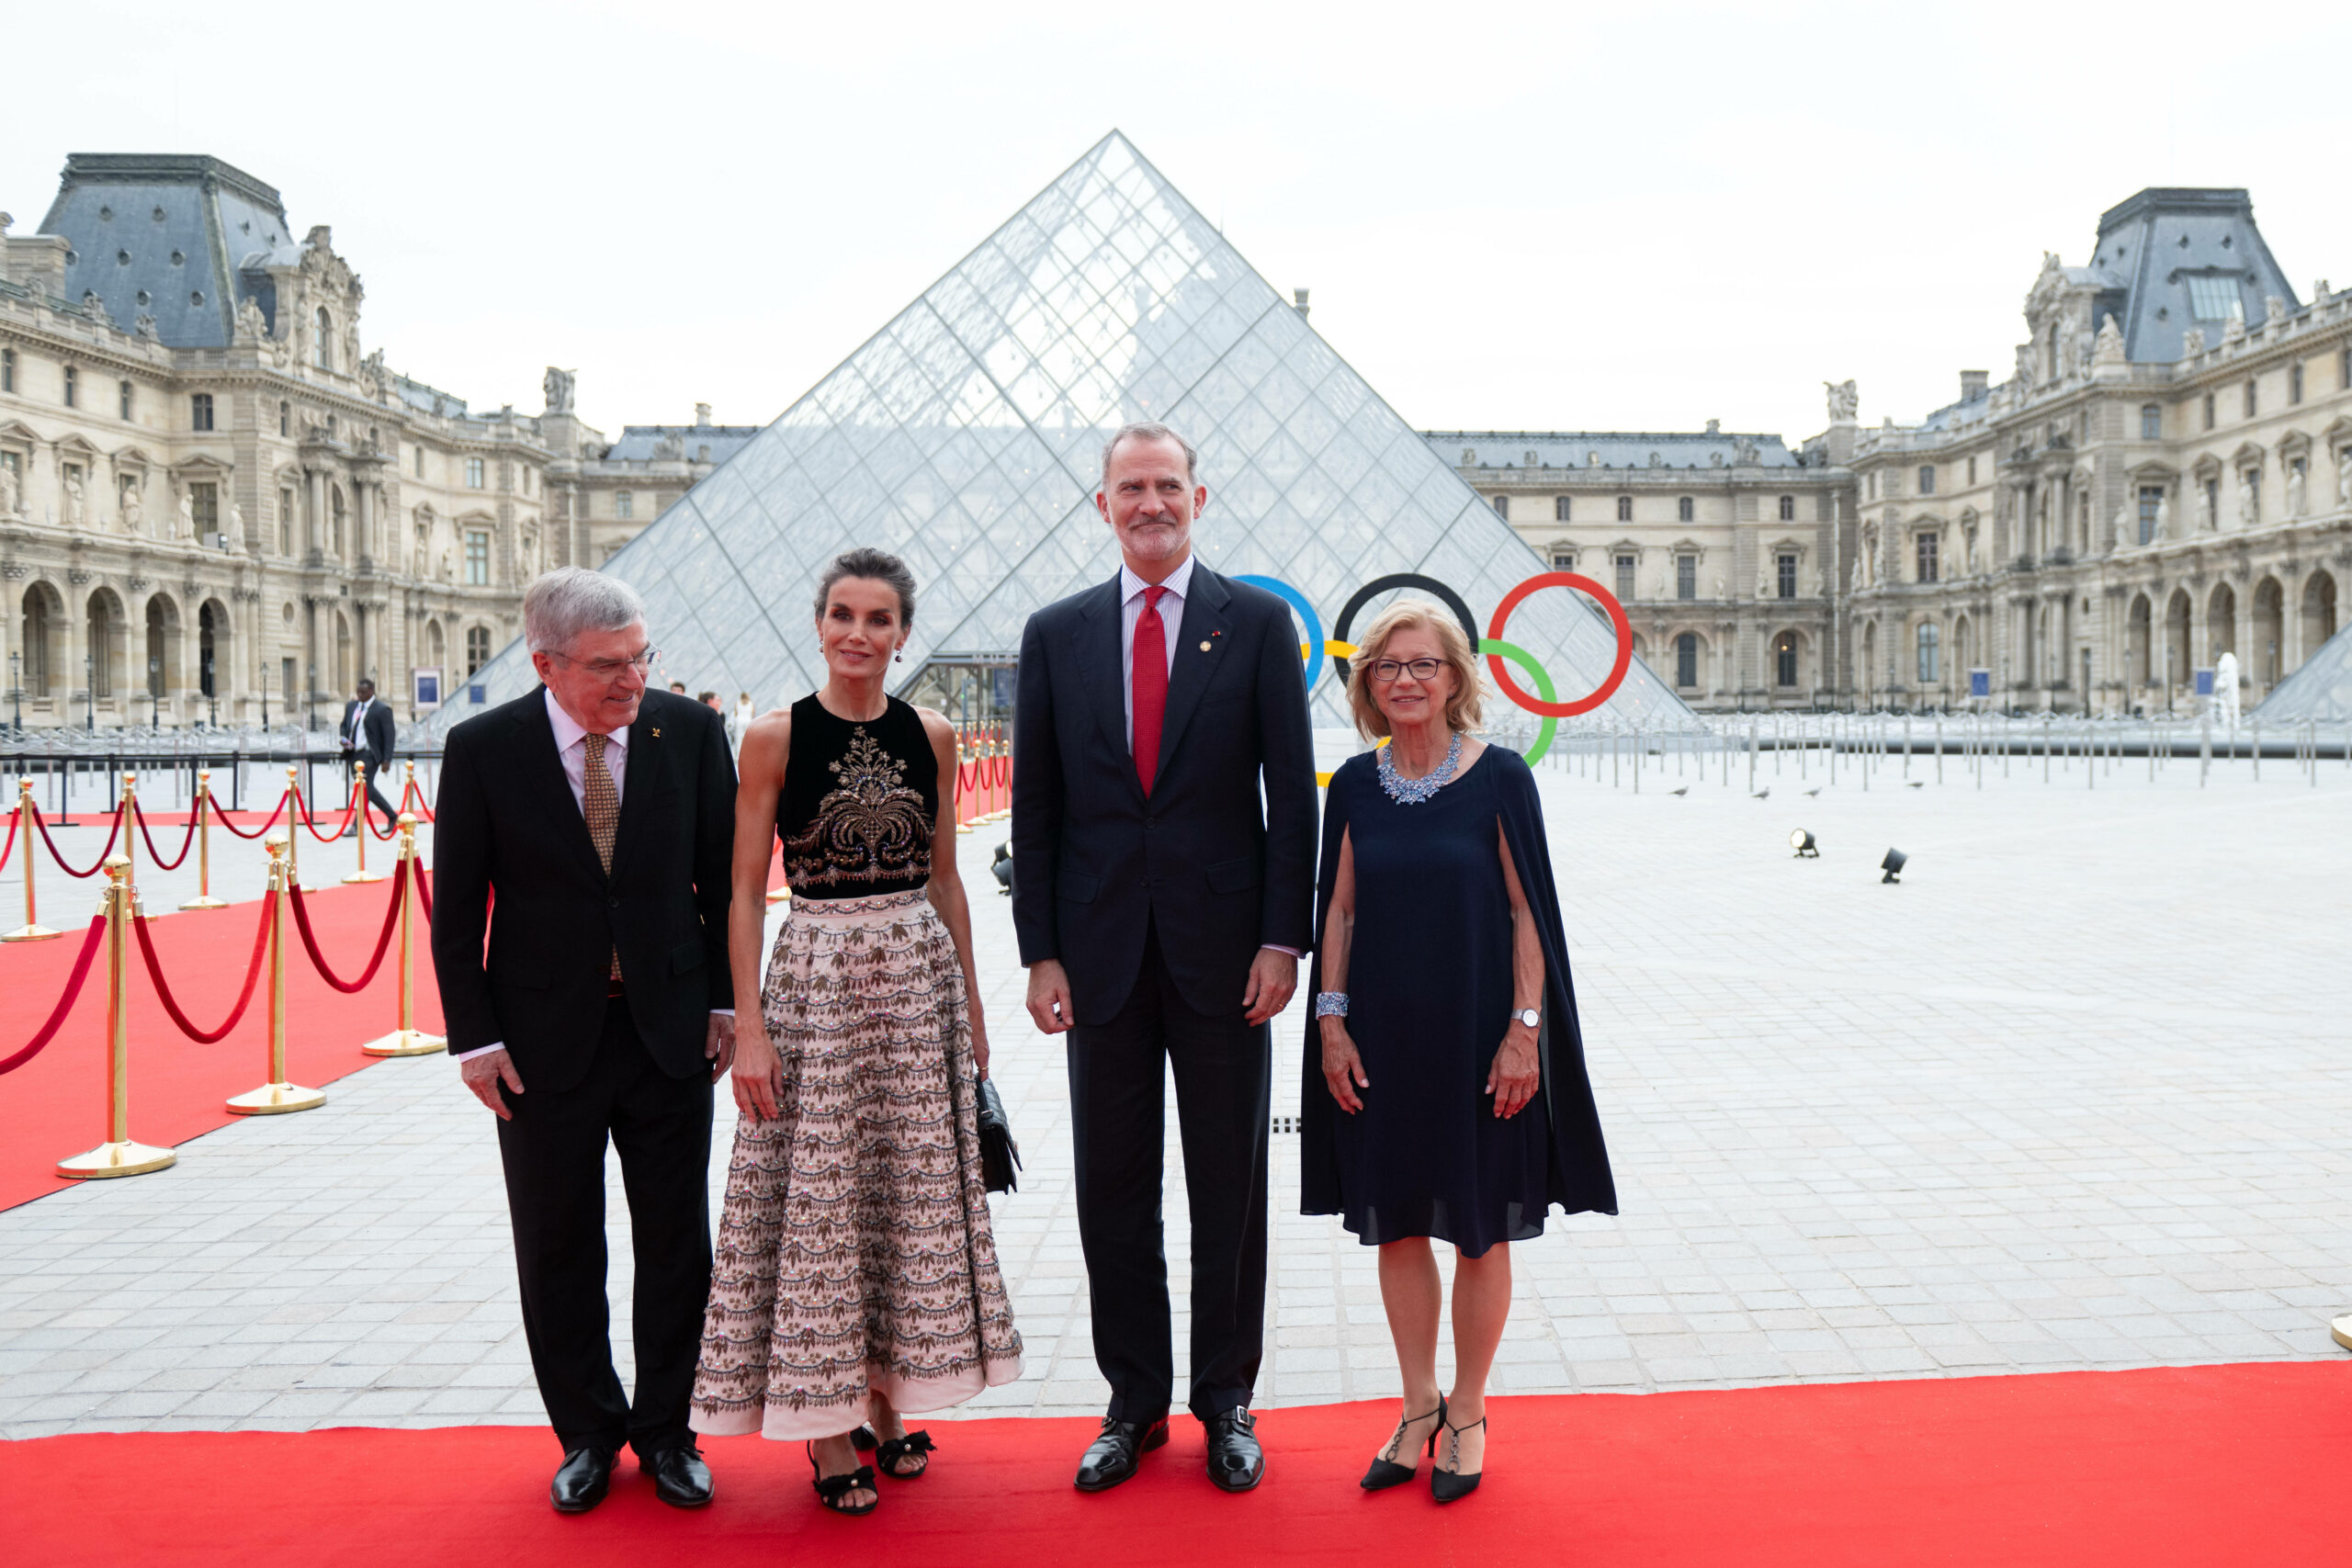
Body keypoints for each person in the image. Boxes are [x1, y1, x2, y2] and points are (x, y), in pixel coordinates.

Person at [1012, 422, 1317, 1495]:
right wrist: (1040, 954)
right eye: (1130, 487)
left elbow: (1291, 797)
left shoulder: (1258, 624)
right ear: (1102, 505)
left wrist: (1282, 938)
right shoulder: (1054, 633)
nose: (1151, 503)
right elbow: (1036, 807)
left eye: (1168, 485)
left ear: (1199, 497)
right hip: (1098, 956)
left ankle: (1225, 1396)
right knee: (1112, 1186)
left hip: (1229, 957)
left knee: (1229, 1184)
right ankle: (1132, 1400)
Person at [692, 547, 1021, 1517]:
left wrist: (971, 1006)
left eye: (879, 619)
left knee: (901, 1196)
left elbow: (947, 878)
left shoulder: (933, 733)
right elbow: (743, 894)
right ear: (819, 622)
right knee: (823, 1199)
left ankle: (885, 1395)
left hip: (916, 985)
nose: (858, 634)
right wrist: (750, 1027)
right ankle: (826, 1425)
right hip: (818, 986)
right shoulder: (773, 737)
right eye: (842, 614)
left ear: (903, 634)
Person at [432, 568, 739, 1516]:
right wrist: (474, 1041)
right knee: (557, 1245)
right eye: (608, 665)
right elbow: (456, 911)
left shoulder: (690, 733)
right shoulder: (483, 748)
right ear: (546, 664)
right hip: (539, 1044)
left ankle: (670, 1432)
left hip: (669, 1034)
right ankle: (588, 1434)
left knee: (677, 1243)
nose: (632, 679)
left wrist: (727, 1005)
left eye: (641, 656)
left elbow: (724, 884)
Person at [1302, 602, 1615, 1503]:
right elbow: (1337, 911)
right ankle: (1417, 1406)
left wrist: (1525, 1032)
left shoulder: (1501, 776)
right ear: (1367, 684)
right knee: (1397, 1220)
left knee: (1480, 1226)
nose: (1404, 679)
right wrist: (1331, 1024)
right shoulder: (1352, 785)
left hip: (1481, 1039)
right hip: (1381, 1039)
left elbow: (1528, 910)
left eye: (1422, 664)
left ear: (1454, 678)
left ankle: (1468, 1411)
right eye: (1386, 666)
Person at [338, 678, 398, 836]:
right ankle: (392, 816)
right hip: (353, 753)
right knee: (367, 789)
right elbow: (344, 725)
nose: (359, 695)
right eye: (358, 692)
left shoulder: (382, 709)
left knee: (364, 790)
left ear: (371, 691)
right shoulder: (351, 706)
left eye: (363, 692)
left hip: (370, 755)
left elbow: (389, 736)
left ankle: (355, 826)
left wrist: (387, 760)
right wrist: (344, 738)